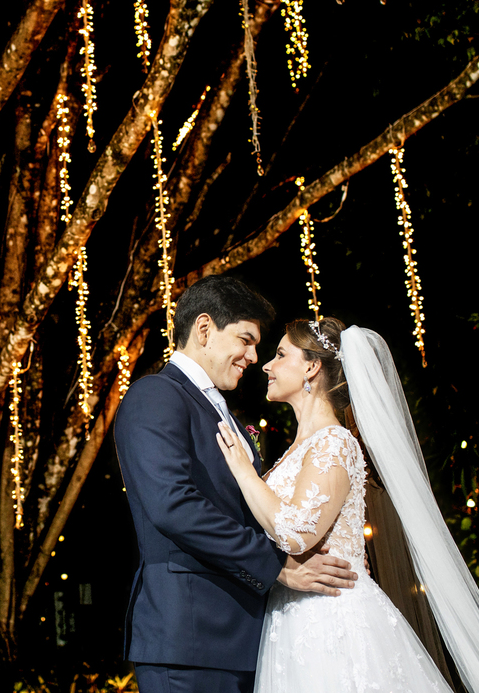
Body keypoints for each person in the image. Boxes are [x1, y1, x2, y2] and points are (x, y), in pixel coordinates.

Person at [214, 317, 479, 693]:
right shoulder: (299, 449)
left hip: (332, 621)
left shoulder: (334, 441)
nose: (267, 365)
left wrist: (243, 472)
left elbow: (298, 533)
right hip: (293, 619)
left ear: (312, 367)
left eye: (281, 354)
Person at [114, 276, 358, 693]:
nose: (254, 357)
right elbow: (173, 505)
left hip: (249, 639)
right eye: (246, 340)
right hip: (191, 638)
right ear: (204, 329)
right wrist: (277, 566)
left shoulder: (225, 413)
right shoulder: (156, 395)